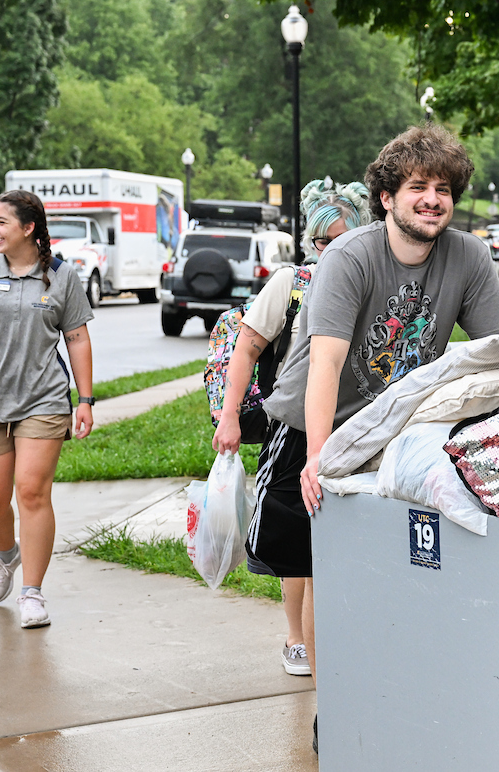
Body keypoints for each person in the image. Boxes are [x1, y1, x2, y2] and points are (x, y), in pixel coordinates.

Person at [259, 124, 499, 752]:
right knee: (326, 569)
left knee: (398, 563)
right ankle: (334, 709)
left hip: (397, 428)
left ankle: (398, 697)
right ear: (386, 197)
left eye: (443, 189)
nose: (432, 199)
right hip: (315, 424)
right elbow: (325, 365)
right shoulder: (349, 256)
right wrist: (321, 461)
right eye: (418, 187)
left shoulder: (469, 258)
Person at [211, 177, 371, 678]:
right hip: (297, 425)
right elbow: (246, 350)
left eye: (345, 238)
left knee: (341, 535)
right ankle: (297, 638)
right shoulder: (292, 284)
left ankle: (334, 634)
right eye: (323, 240)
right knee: (298, 538)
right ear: (310, 242)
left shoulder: (372, 281)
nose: (332, 249)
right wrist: (230, 416)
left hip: (358, 426)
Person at [0, 189, 95, 629]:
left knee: (31, 492)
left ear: (28, 228)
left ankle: (32, 593)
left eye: (1, 222)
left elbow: (77, 339)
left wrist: (85, 400)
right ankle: (8, 556)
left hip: (44, 400)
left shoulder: (60, 276)